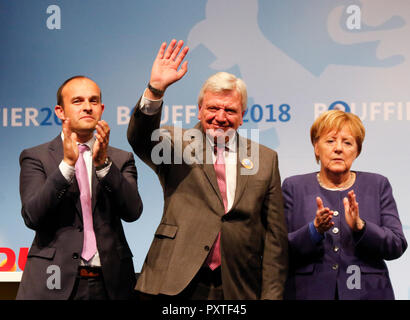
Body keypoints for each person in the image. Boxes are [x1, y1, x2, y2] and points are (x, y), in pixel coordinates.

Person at [127, 39, 288, 300]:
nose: (221, 117)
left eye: (230, 110)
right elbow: (140, 137)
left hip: (238, 285)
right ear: (200, 110)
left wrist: (271, 296)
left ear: (243, 115)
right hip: (175, 281)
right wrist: (155, 90)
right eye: (213, 108)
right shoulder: (174, 143)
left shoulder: (265, 159)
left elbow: (275, 239)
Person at [17, 76, 143, 300]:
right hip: (51, 283)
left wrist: (104, 165)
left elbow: (133, 212)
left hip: (111, 284)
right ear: (60, 111)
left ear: (101, 109)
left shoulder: (120, 159)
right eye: (77, 101)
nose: (87, 107)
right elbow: (33, 216)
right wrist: (66, 166)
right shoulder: (35, 157)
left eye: (93, 101)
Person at [282, 110, 407, 300]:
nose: (338, 148)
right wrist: (313, 230)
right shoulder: (294, 187)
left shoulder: (378, 185)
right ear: (316, 147)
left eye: (347, 142)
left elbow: (396, 244)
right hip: (308, 293)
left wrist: (361, 227)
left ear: (357, 150)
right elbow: (278, 248)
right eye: (330, 141)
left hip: (368, 294)